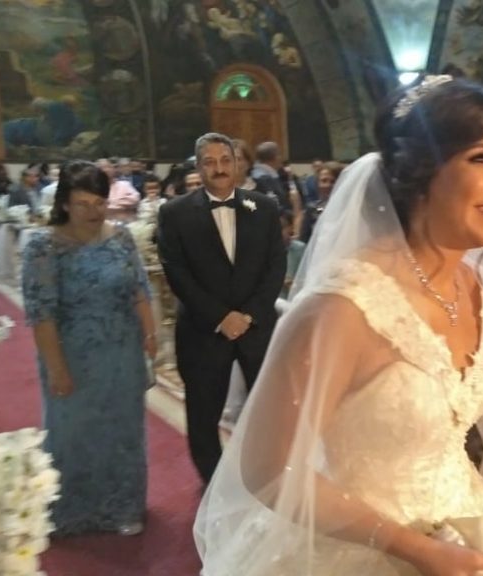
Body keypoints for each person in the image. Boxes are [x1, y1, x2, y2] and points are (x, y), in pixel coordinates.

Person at [194, 76, 483, 576]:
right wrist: (415, 548)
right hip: (355, 546)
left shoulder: (476, 283)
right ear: (420, 172)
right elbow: (267, 470)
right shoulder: (342, 307)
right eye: (480, 159)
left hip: (466, 524)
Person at [21, 160, 154, 536]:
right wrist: (57, 369)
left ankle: (124, 506)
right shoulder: (44, 247)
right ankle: (74, 509)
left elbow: (139, 289)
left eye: (100, 203)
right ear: (64, 203)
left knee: (124, 430)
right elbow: (41, 314)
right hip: (72, 355)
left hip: (122, 353)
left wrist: (150, 334)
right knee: (74, 433)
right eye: (83, 204)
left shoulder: (122, 238)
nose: (94, 212)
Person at [157, 132, 286, 486]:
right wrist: (220, 317)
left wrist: (248, 315)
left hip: (256, 329)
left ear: (237, 164)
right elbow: (177, 273)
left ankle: (266, 480)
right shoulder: (174, 213)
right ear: (199, 168)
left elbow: (275, 266)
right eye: (210, 162)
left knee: (268, 411)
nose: (219, 168)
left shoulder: (264, 207)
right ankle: (214, 486)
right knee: (203, 415)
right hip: (203, 331)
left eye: (225, 160)